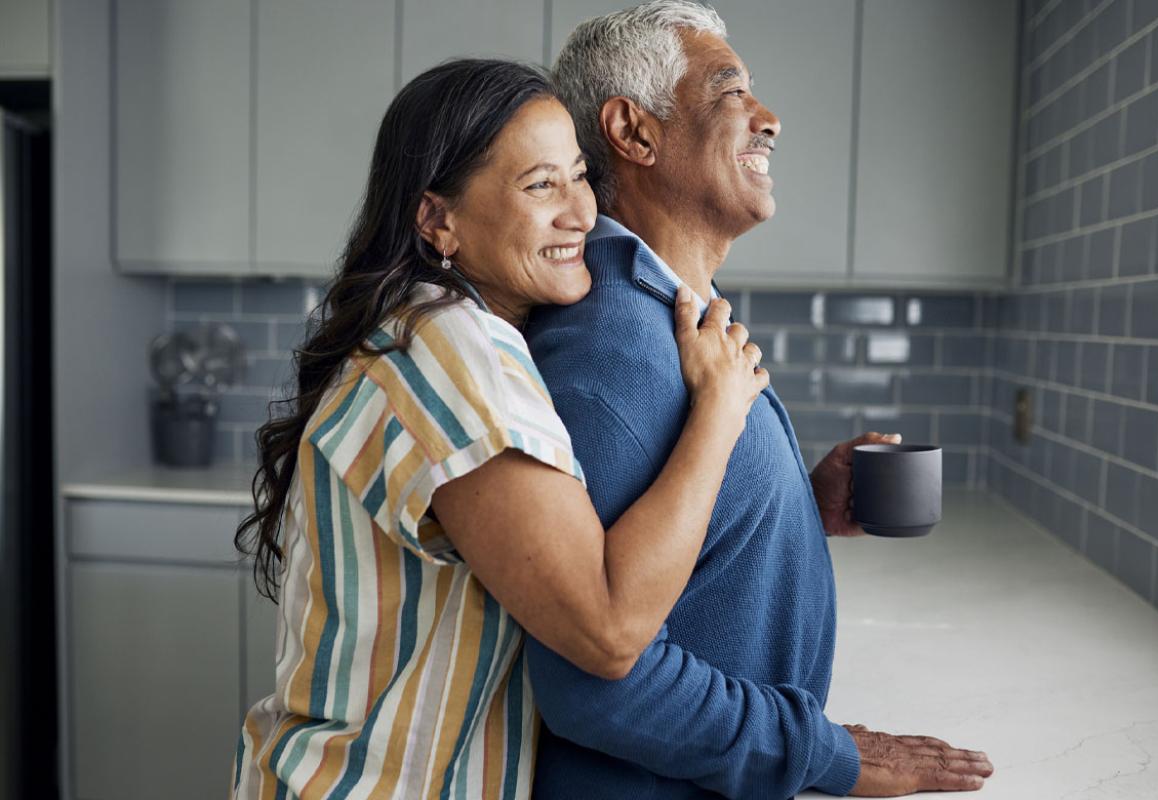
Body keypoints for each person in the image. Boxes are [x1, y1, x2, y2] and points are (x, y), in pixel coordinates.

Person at [229, 58, 769, 799]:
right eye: (539, 185)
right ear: (437, 219)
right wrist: (719, 412)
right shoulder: (451, 354)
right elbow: (609, 630)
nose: (580, 211)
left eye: (579, 175)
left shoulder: (443, 332)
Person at [522, 3, 996, 798]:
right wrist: (830, 755)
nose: (768, 120)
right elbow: (597, 685)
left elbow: (669, 554)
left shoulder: (669, 313)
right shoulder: (613, 346)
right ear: (634, 134)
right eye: (730, 92)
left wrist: (801, 507)